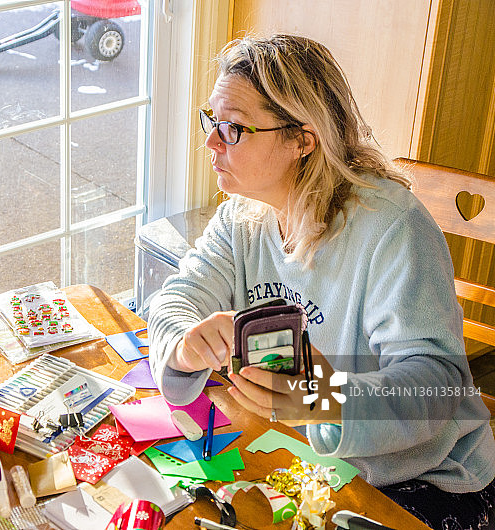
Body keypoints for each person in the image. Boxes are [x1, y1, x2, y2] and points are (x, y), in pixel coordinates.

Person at [148, 35, 495, 528]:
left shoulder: (393, 228)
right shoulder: (242, 216)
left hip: (424, 477)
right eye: (212, 121)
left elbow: (437, 387)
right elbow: (178, 299)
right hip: (318, 460)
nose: (210, 142)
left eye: (233, 128)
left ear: (302, 141)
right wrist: (184, 343)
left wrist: (321, 396)